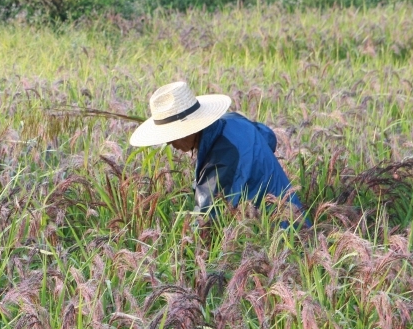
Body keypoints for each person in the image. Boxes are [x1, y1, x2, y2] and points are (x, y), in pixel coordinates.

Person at [130, 81, 310, 227]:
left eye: (172, 135)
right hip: (295, 220)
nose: (169, 142)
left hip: (281, 237)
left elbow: (206, 222)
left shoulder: (222, 158)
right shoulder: (231, 121)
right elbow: (268, 137)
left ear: (191, 128)